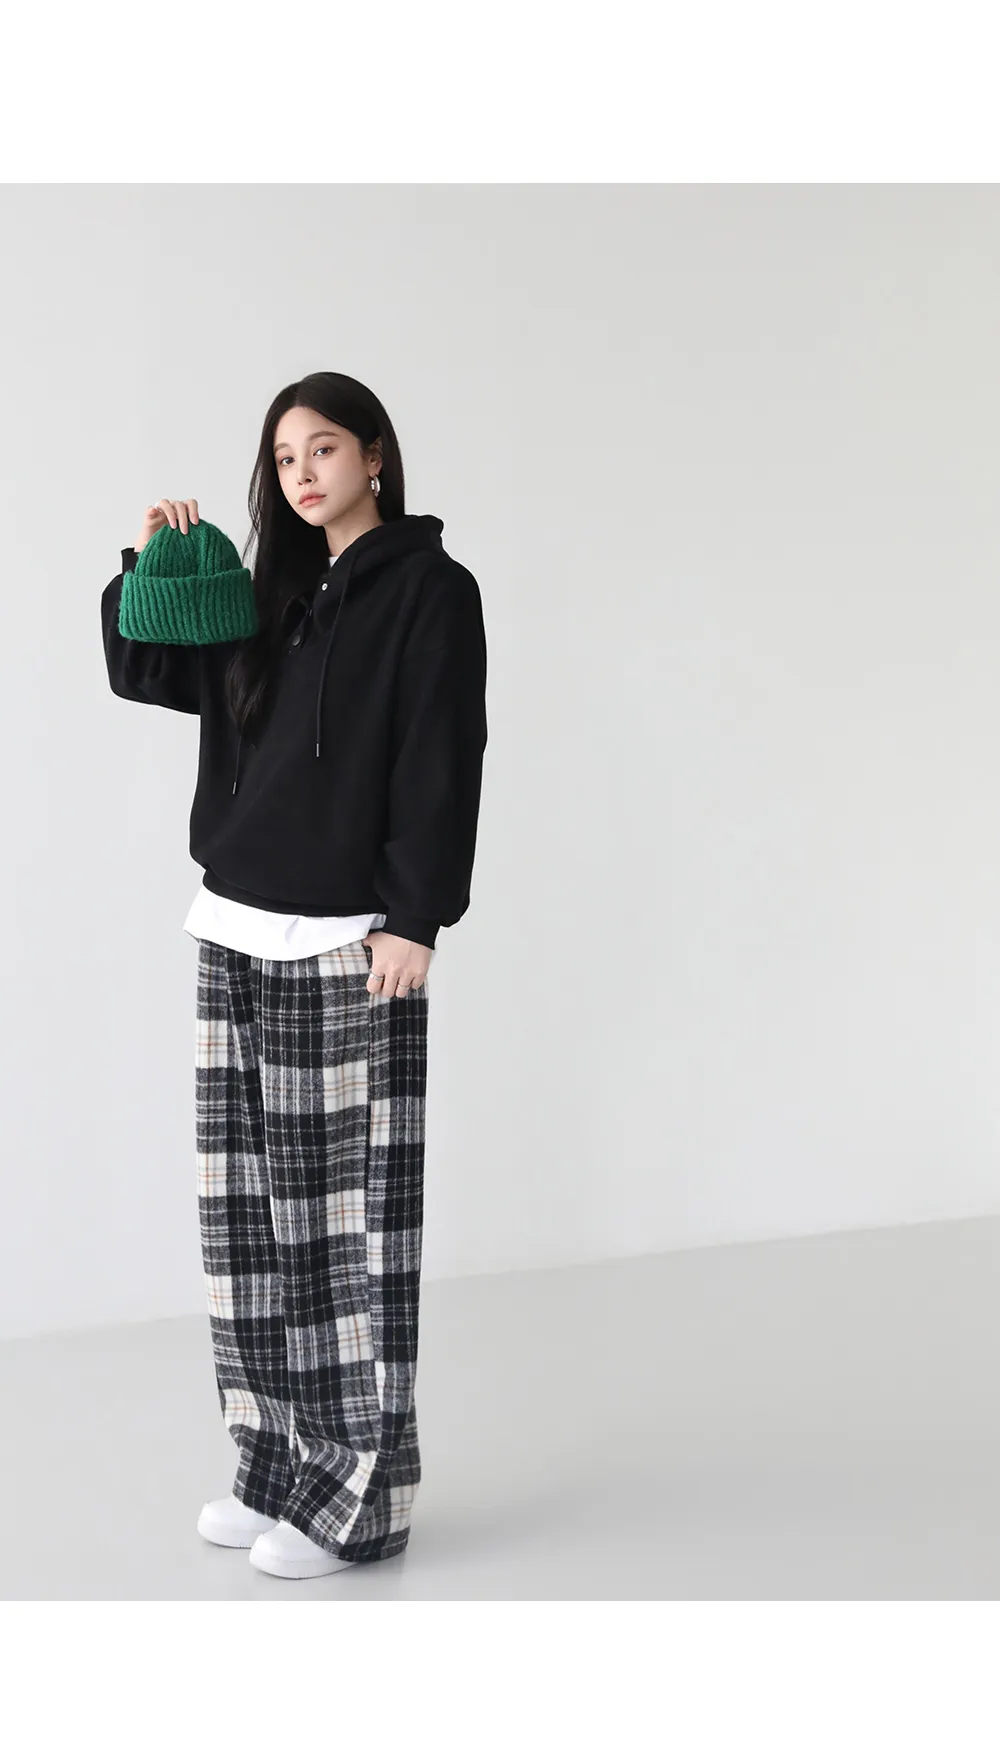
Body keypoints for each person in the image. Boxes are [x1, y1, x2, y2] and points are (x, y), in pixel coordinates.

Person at [100, 371, 488, 1579]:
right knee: (246, 1230)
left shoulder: (429, 590)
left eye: (323, 448)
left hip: (349, 942)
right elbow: (150, 674)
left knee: (341, 1234)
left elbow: (441, 751)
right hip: (232, 925)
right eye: (282, 458)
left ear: (374, 455)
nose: (302, 473)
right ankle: (273, 1466)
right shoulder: (263, 592)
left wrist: (417, 916)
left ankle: (358, 1500)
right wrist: (150, 571)